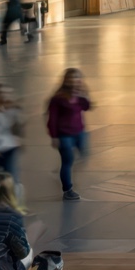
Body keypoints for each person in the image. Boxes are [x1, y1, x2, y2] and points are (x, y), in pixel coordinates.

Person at [46, 68, 92, 201]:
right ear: (66, 80)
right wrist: (54, 136)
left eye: (78, 78)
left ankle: (68, 171)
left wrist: (85, 96)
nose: (75, 80)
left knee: (83, 154)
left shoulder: (79, 96)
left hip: (79, 132)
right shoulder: (58, 98)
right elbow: (52, 119)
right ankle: (68, 189)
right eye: (72, 78)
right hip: (64, 134)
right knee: (67, 161)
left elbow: (87, 107)